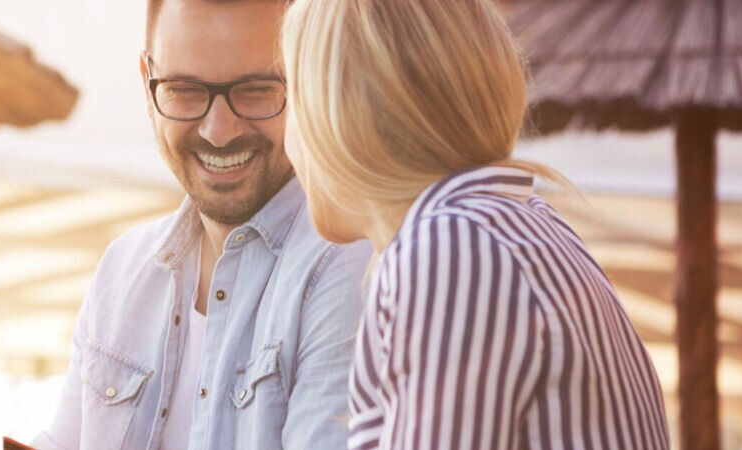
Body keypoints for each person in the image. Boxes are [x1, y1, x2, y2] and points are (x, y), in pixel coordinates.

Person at [278, 1, 672, 448]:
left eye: (291, 95)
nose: (284, 131)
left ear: (341, 121)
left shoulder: (450, 253)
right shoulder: (525, 224)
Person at [32, 1, 372, 449]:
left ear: (308, 81)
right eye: (185, 90)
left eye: (255, 89)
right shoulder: (122, 268)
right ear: (147, 84)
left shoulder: (351, 267)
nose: (218, 130)